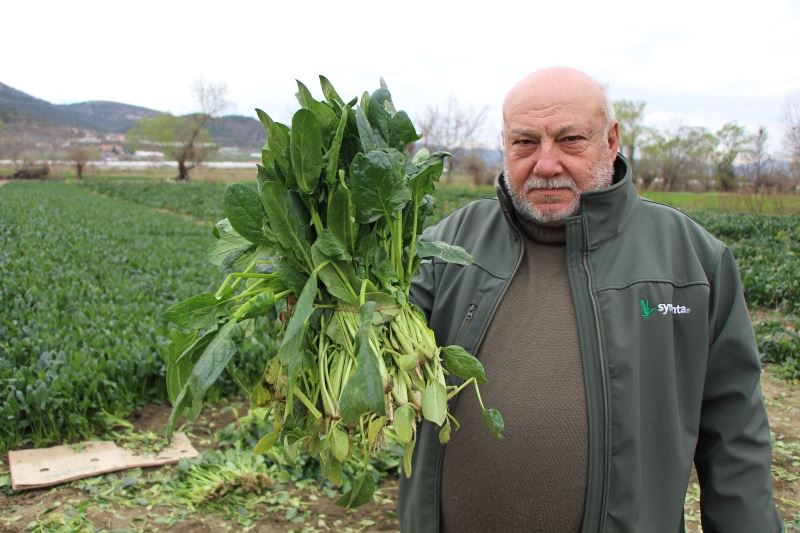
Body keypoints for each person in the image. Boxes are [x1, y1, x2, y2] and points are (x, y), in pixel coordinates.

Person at [398, 67, 783, 532]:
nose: (545, 164)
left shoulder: (691, 261)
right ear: (504, 147)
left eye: (570, 140)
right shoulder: (448, 246)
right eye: (524, 143)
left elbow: (735, 438)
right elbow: (372, 334)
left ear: (611, 140)